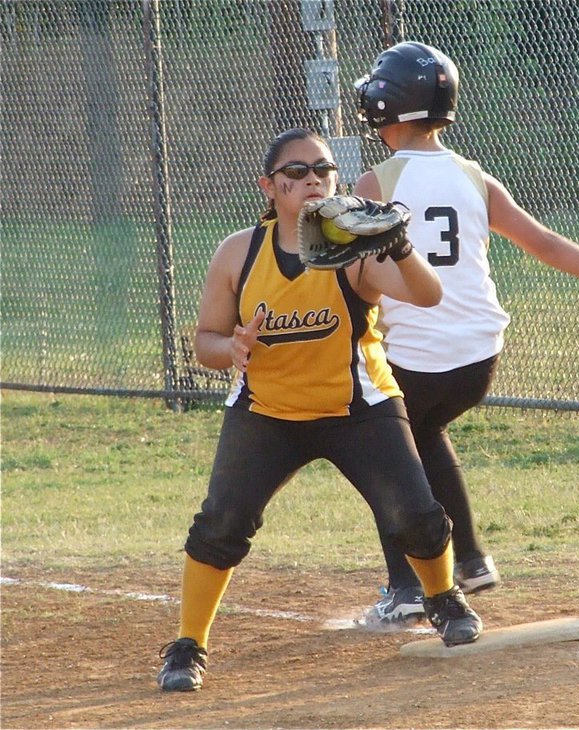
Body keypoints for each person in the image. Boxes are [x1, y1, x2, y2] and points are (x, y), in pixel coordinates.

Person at [352, 42, 579, 625]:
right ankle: (473, 560)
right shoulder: (473, 176)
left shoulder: (378, 179)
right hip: (479, 358)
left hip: (415, 358)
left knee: (384, 454)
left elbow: (354, 270)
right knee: (423, 434)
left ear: (388, 105)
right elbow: (544, 243)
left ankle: (407, 589)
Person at [156, 127, 484, 692]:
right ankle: (188, 645)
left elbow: (428, 296)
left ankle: (444, 599)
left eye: (323, 170)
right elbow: (206, 342)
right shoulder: (240, 252)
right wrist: (232, 348)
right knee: (221, 525)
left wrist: (400, 245)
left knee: (416, 516)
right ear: (270, 187)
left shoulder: (351, 249)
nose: (312, 180)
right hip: (268, 412)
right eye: (296, 172)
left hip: (357, 407)